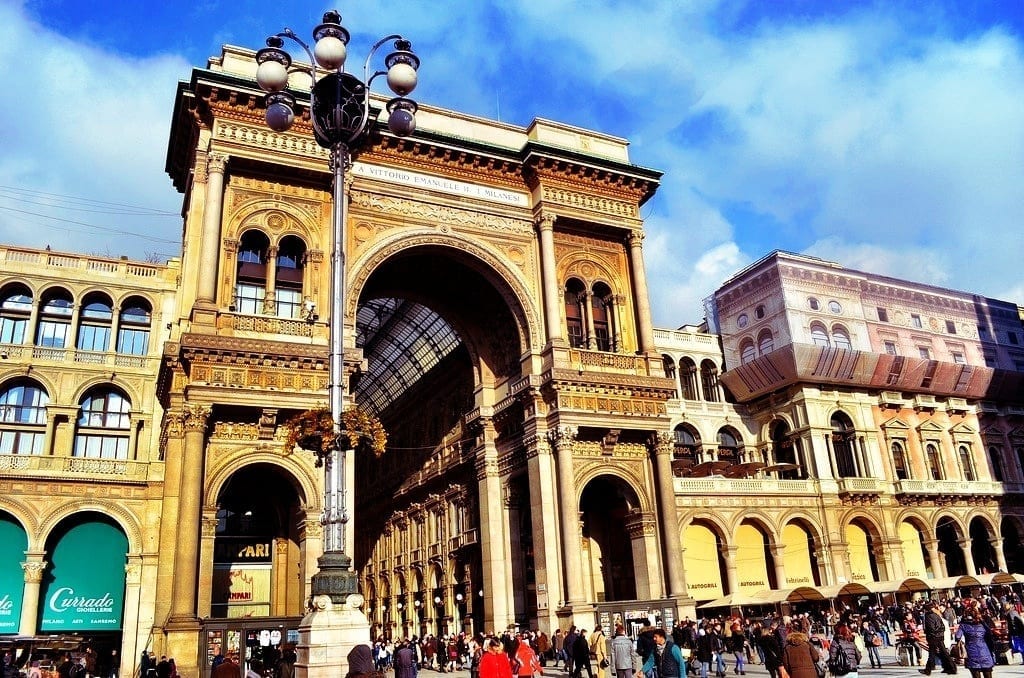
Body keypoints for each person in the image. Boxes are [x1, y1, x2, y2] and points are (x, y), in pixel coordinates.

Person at [954, 610, 994, 678]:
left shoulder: (963, 625)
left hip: (971, 652)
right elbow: (990, 634)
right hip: (984, 652)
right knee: (988, 675)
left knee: (976, 675)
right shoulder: (982, 625)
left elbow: (957, 637)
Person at [920, 602, 957, 676]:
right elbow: (942, 626)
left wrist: (927, 632)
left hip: (933, 637)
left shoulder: (928, 616)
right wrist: (940, 633)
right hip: (940, 636)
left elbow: (931, 629)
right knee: (944, 653)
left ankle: (928, 670)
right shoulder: (936, 615)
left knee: (932, 654)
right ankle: (951, 668)